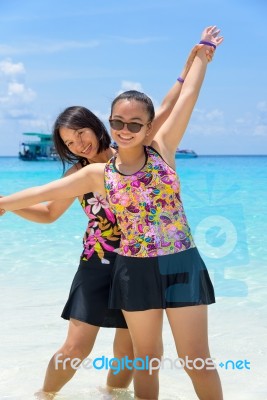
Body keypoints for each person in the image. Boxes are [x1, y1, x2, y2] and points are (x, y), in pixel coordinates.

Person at [0, 26, 223, 399]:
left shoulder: (156, 147)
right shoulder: (90, 174)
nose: (79, 144)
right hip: (117, 264)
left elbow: (180, 101)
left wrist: (196, 60)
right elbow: (45, 198)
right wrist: (6, 204)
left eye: (81, 135)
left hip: (163, 261)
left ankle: (112, 394)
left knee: (167, 357)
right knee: (114, 354)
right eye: (69, 143)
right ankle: (49, 393)